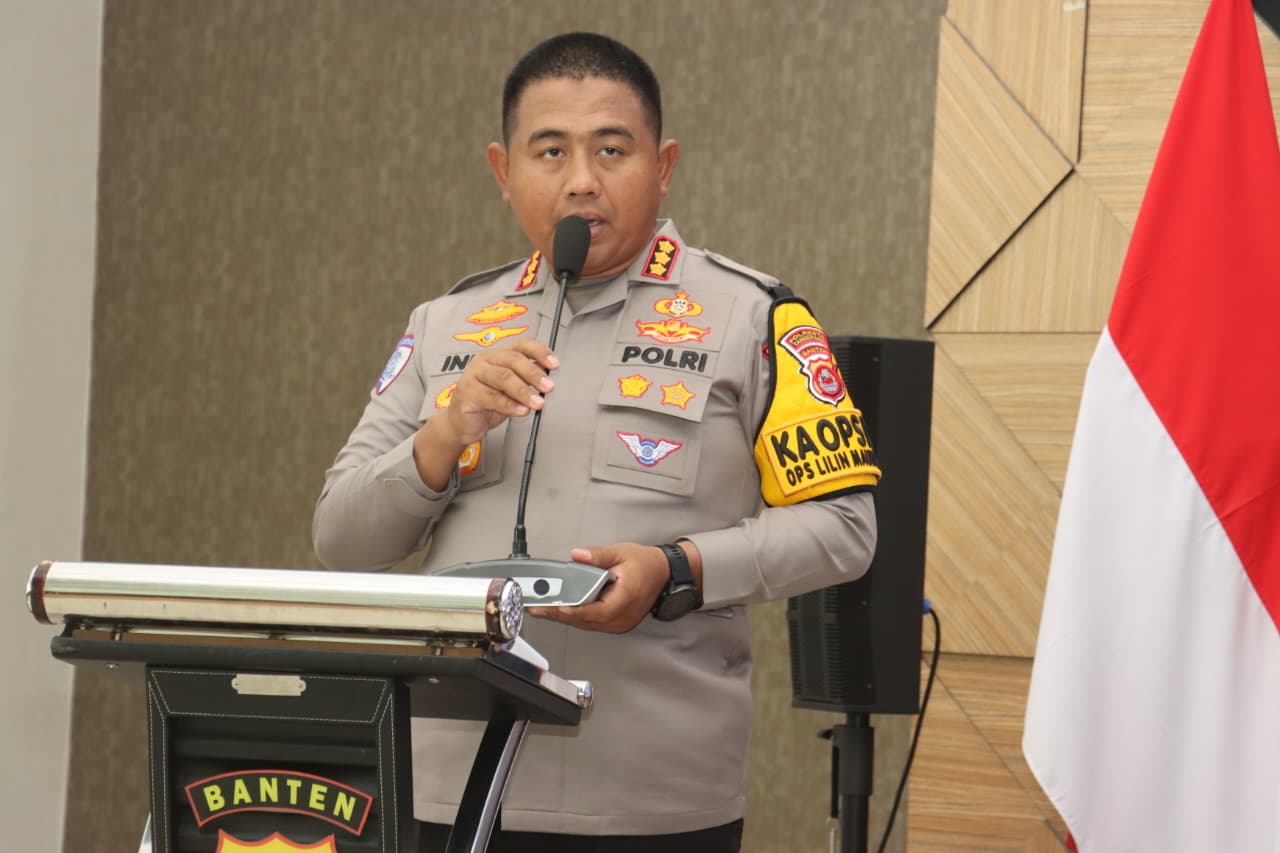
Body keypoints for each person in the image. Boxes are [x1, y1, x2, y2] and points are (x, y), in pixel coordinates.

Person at [313, 31, 879, 853]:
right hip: (443, 790)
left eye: (612, 149)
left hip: (652, 798)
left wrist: (678, 568)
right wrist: (443, 434)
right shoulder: (445, 323)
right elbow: (340, 538)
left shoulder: (755, 318)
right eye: (551, 151)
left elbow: (845, 528)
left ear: (664, 164)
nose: (582, 179)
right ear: (504, 172)